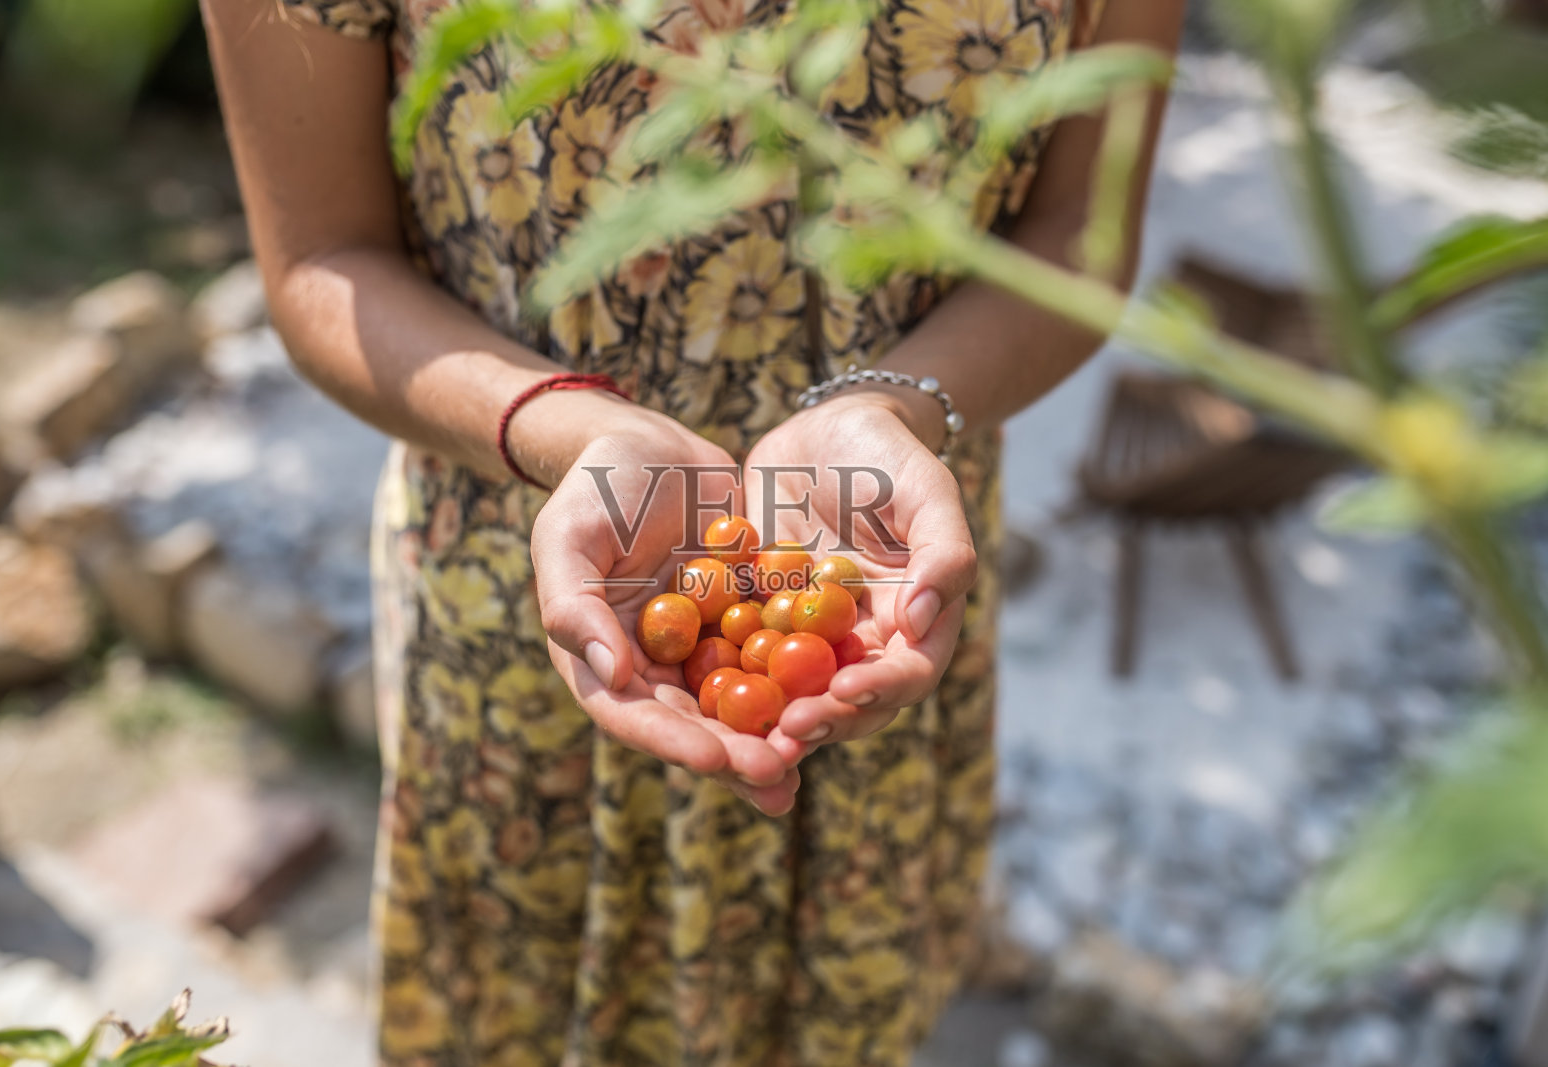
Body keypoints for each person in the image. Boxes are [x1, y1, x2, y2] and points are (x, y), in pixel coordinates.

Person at [203, 0, 1183, 1061]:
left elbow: (1078, 233)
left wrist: (894, 409)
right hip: (538, 580)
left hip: (879, 568)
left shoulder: (838, 602)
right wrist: (570, 432)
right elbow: (321, 261)